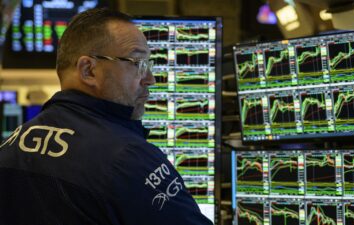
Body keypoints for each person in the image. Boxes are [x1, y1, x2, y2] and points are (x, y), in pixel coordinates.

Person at [0, 8, 213, 225]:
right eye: (138, 63)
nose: (150, 79)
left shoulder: (10, 147)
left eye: (149, 65)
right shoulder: (127, 158)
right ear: (88, 70)